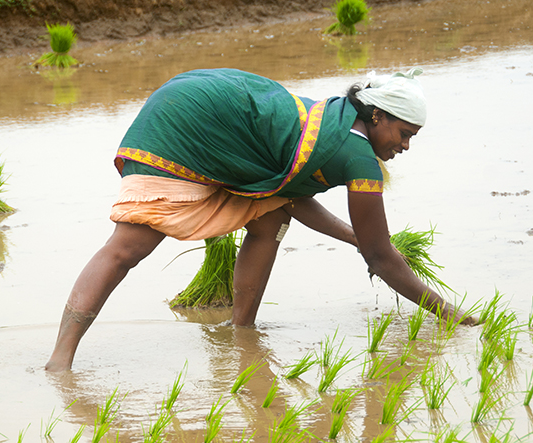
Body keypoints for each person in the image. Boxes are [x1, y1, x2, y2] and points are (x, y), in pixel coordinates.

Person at [45, 67, 474, 372]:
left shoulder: (332, 122)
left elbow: (289, 200)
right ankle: (59, 361)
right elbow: (381, 257)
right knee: (128, 248)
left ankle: (241, 331)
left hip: (196, 96)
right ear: (377, 116)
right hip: (191, 121)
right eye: (404, 133)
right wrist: (450, 313)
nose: (406, 146)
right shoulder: (356, 156)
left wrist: (357, 240)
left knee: (268, 221)